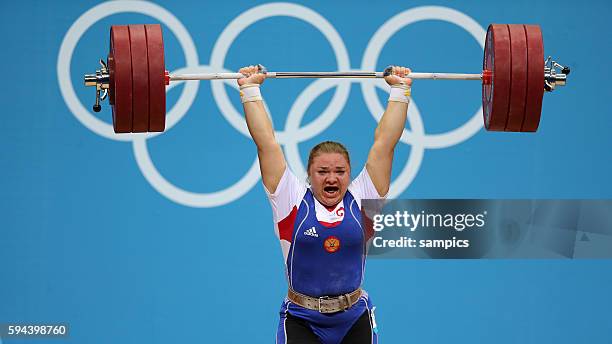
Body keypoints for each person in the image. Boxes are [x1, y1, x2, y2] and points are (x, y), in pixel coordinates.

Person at [237, 65, 412, 344]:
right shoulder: (290, 200)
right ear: (309, 175)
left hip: (353, 319)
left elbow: (385, 144)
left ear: (350, 174)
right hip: (301, 320)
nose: (332, 178)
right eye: (323, 172)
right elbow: (266, 143)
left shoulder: (364, 197)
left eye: (340, 172)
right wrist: (250, 89)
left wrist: (401, 89)